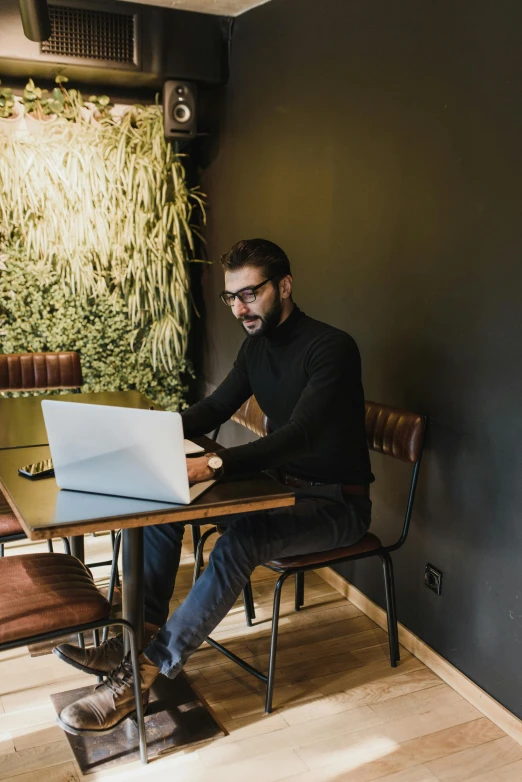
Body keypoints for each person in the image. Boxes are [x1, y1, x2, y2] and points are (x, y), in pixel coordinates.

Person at [55, 238, 374, 735]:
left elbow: (300, 435)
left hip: (335, 502)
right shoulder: (255, 347)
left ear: (284, 286)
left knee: (243, 542)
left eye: (250, 293)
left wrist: (212, 465)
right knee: (163, 510)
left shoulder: (331, 348)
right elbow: (212, 410)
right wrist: (141, 436)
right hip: (278, 487)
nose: (240, 307)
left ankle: (139, 675)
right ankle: (132, 638)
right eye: (232, 297)